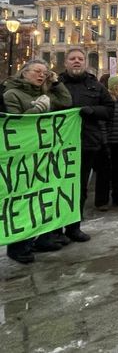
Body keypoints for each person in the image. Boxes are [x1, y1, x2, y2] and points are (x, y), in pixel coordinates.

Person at [3, 59, 73, 263]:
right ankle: (18, 246)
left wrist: (57, 82)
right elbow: (13, 127)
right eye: (37, 71)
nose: (41, 75)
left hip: (44, 154)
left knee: (43, 195)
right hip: (23, 158)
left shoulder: (44, 93)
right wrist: (36, 110)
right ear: (24, 73)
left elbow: (66, 102)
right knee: (24, 199)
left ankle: (43, 237)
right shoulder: (12, 94)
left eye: (45, 72)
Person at [58, 48, 114, 242]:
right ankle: (55, 230)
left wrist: (92, 110)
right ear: (65, 62)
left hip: (87, 143)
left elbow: (109, 109)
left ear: (85, 62)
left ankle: (74, 227)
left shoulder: (95, 86)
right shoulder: (55, 84)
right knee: (58, 186)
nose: (76, 61)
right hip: (58, 146)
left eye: (80, 59)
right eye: (72, 58)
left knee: (80, 187)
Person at [97, 76, 118, 209]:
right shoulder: (108, 101)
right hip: (109, 141)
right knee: (105, 172)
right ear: (114, 87)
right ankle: (102, 201)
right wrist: (104, 141)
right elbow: (102, 123)